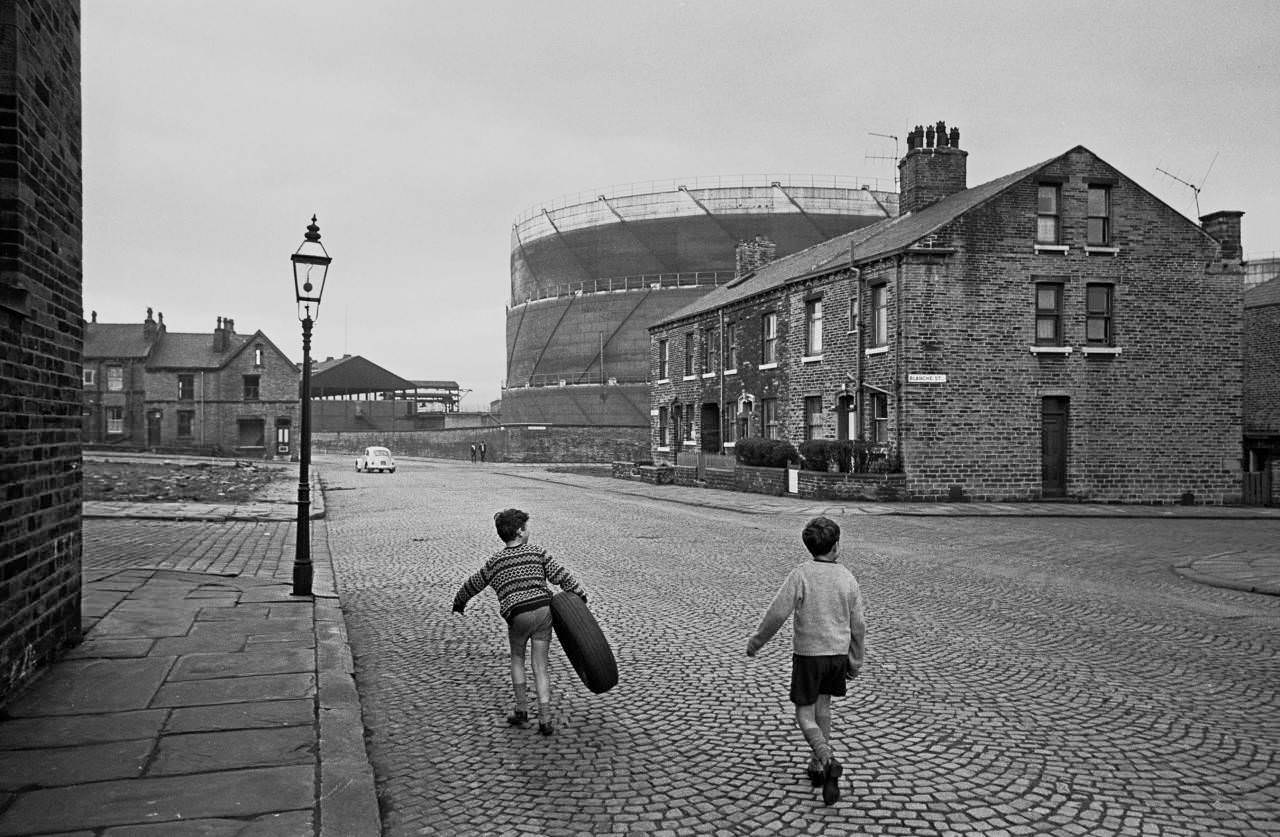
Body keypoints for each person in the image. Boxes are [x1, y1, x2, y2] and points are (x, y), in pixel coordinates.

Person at [746, 516, 865, 805]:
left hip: (809, 656)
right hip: (836, 656)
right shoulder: (847, 578)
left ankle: (825, 756)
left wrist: (757, 641)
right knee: (824, 707)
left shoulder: (801, 575)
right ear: (836, 546)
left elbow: (777, 613)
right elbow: (858, 624)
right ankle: (817, 767)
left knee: (804, 713)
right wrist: (855, 660)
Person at [452, 508, 587, 735]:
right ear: (521, 531)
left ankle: (522, 710)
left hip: (517, 615)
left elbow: (473, 583)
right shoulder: (537, 552)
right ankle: (545, 719)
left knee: (517, 658)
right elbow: (560, 575)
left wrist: (459, 602)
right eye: (527, 527)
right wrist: (578, 594)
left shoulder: (495, 562)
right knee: (540, 666)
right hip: (544, 612)